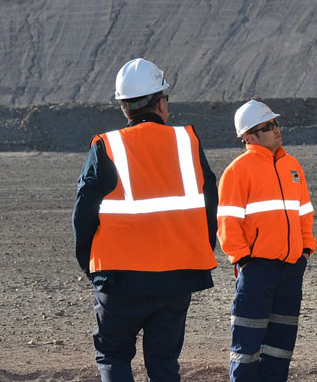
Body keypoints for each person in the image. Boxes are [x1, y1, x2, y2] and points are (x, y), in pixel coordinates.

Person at [72, 57, 218, 382]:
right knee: (164, 363)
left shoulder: (105, 146)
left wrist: (90, 265)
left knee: (113, 355)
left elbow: (84, 211)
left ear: (124, 107)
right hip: (177, 277)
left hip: (119, 279)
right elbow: (210, 201)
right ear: (162, 103)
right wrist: (199, 251)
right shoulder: (187, 143)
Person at [217, 100, 316, 382]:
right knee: (247, 346)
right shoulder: (238, 171)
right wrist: (243, 259)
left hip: (290, 269)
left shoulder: (292, 165)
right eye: (268, 126)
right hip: (257, 271)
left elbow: (304, 214)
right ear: (249, 136)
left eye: (275, 124)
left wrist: (306, 251)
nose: (276, 129)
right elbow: (227, 221)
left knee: (280, 347)